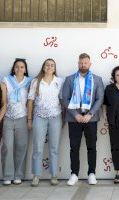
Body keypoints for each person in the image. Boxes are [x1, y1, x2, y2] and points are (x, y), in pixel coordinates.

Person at [61, 53, 104, 186]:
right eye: (81, 63)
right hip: (75, 119)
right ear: (78, 63)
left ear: (90, 64)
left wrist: (90, 114)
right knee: (74, 147)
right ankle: (74, 174)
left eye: (85, 63)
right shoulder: (69, 79)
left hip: (90, 119)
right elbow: (64, 99)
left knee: (92, 147)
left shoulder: (97, 79)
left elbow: (100, 98)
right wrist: (76, 115)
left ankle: (92, 173)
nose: (83, 65)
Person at [27, 58, 64, 186]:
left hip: (55, 117)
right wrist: (30, 119)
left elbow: (62, 101)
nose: (49, 67)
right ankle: (36, 175)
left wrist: (64, 118)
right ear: (43, 67)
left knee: (54, 148)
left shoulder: (59, 81)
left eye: (52, 65)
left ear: (55, 68)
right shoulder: (35, 82)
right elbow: (30, 101)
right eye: (47, 65)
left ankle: (54, 175)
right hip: (39, 117)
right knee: (37, 148)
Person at [0, 58, 32, 185]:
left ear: (25, 69)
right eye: (17, 66)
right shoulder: (6, 80)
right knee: (7, 147)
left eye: (22, 67)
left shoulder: (29, 82)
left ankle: (18, 175)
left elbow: (30, 102)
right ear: (14, 68)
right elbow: (4, 102)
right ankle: (8, 175)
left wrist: (30, 118)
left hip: (22, 118)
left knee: (21, 147)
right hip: (8, 117)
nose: (19, 69)